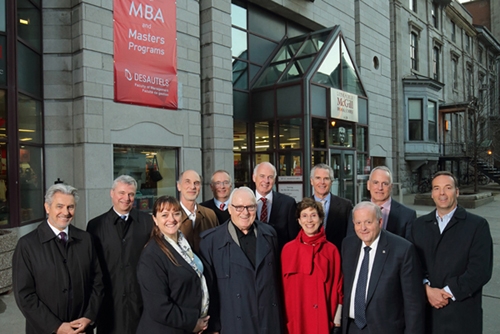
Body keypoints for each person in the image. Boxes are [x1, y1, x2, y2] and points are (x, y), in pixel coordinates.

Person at [13, 184, 104, 334]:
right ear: (47, 207)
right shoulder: (27, 245)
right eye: (59, 206)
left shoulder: (86, 239)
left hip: (81, 329)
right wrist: (56, 327)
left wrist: (89, 316)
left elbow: (98, 282)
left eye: (71, 207)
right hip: (44, 330)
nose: (66, 212)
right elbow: (25, 295)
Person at [410, 171, 493, 333]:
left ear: (457, 192)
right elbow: (412, 265)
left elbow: (480, 271)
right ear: (432, 194)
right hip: (427, 313)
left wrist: (446, 293)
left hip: (461, 314)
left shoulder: (477, 226)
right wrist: (426, 290)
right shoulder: (418, 225)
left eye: (447, 188)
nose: (442, 193)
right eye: (436, 188)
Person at [199, 187, 283, 334]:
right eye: (238, 207)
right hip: (233, 323)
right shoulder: (210, 241)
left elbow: (276, 281)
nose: (245, 212)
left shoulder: (270, 235)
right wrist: (214, 327)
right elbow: (208, 291)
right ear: (229, 209)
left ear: (256, 208)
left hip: (268, 322)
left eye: (250, 207)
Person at [342, 201, 425, 334]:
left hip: (385, 329)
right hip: (351, 328)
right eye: (358, 223)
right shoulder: (348, 245)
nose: (363, 228)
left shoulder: (402, 249)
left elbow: (413, 303)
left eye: (368, 222)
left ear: (380, 222)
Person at [87, 175, 154, 334]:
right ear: (112, 193)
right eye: (121, 193)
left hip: (141, 301)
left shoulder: (147, 222)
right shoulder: (95, 225)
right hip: (109, 302)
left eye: (131, 194)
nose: (126, 198)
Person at [136, 196, 210, 334]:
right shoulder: (151, 256)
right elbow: (158, 308)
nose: (172, 219)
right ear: (155, 219)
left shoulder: (183, 244)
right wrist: (193, 322)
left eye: (176, 213)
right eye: (164, 215)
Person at [281, 198, 343, 334]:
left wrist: (337, 320)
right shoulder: (288, 250)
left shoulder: (331, 250)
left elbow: (339, 287)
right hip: (295, 319)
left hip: (323, 318)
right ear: (299, 221)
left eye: (313, 215)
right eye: (304, 216)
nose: (309, 220)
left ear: (321, 219)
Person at [348, 166, 416, 239]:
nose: (380, 188)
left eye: (385, 184)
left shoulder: (407, 216)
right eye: (375, 182)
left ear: (391, 187)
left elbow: (409, 247)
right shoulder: (356, 212)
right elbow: (351, 243)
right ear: (368, 185)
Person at [252, 162, 300, 251]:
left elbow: (293, 238)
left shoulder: (288, 203)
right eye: (262, 176)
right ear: (254, 177)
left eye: (270, 177)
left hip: (279, 259)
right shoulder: (245, 202)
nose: (266, 181)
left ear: (274, 180)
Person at [310, 163, 353, 251]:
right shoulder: (302, 206)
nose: (322, 182)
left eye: (326, 178)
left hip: (337, 254)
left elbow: (350, 236)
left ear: (331, 182)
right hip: (310, 255)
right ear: (311, 181)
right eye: (318, 178)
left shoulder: (346, 206)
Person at [177, 170, 218, 252]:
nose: (192, 187)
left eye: (196, 183)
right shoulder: (170, 217)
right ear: (179, 186)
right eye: (187, 182)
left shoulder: (210, 215)